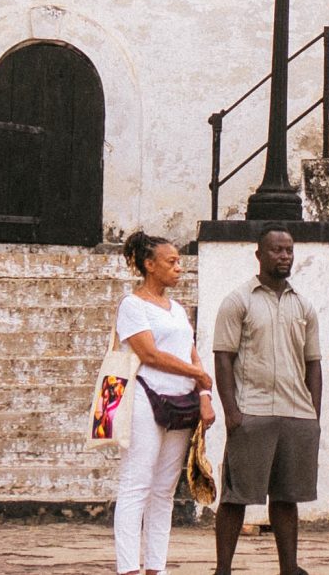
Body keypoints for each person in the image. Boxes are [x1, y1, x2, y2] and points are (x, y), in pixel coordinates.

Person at [213, 228, 321, 575]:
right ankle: (223, 569)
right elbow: (223, 357)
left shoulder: (303, 305)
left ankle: (289, 567)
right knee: (236, 496)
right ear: (259, 254)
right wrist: (231, 411)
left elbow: (313, 363)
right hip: (252, 412)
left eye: (289, 250)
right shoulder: (238, 300)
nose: (285, 256)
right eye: (277, 250)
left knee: (287, 497)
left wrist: (313, 414)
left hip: (295, 414)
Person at [114, 232, 217, 575]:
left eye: (178, 261)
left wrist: (203, 394)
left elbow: (191, 351)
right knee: (136, 483)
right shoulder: (132, 305)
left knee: (164, 489)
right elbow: (149, 354)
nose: (178, 267)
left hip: (182, 400)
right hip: (146, 395)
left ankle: (155, 567)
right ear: (149, 265)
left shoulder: (176, 310)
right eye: (171, 261)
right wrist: (197, 375)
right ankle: (129, 567)